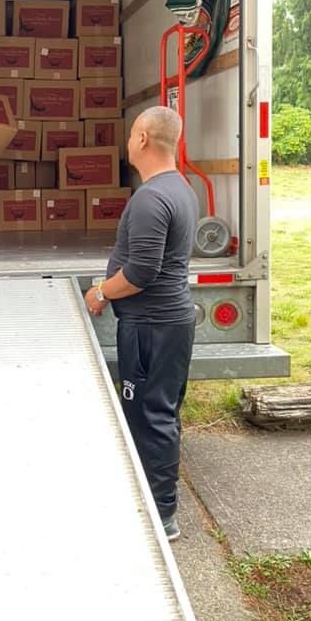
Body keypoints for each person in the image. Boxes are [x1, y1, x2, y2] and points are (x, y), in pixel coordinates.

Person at [84, 106, 198, 542]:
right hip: (166, 322)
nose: (129, 141)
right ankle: (157, 500)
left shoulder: (151, 198)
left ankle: (161, 512)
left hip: (152, 326)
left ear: (144, 139)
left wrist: (99, 293)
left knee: (151, 414)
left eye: (132, 134)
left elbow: (141, 272)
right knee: (161, 411)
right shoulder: (180, 188)